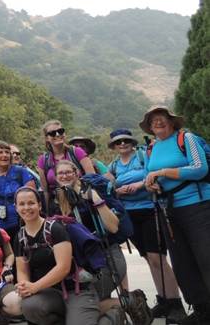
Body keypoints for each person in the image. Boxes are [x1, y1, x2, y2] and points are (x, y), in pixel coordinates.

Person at [107, 128, 184, 322]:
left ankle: (175, 303)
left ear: (132, 142)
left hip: (150, 209)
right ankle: (164, 300)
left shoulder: (143, 156)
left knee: (157, 257)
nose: (122, 144)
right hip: (129, 215)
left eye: (125, 140)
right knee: (149, 259)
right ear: (114, 146)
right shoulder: (114, 165)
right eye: (118, 142)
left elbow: (153, 174)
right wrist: (118, 190)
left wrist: (140, 185)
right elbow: (108, 187)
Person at [141, 106, 210, 324]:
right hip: (167, 210)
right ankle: (201, 309)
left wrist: (162, 173)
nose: (158, 122)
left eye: (162, 118)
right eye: (153, 121)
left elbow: (200, 168)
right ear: (150, 127)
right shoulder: (151, 149)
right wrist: (150, 185)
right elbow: (147, 176)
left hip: (197, 205)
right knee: (182, 261)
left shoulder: (186, 138)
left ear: (172, 122)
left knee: (206, 256)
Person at [53, 161, 129, 320]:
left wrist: (94, 198)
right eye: (61, 173)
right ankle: (119, 309)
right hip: (86, 263)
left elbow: (114, 227)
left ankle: (127, 303)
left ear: (76, 173)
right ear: (56, 177)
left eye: (68, 172)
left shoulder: (91, 192)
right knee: (84, 303)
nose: (65, 176)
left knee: (85, 304)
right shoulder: (58, 198)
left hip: (108, 257)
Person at [14, 186, 101, 325]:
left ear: (39, 205)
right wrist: (25, 287)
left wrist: (35, 287)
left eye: (31, 203)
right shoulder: (20, 236)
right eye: (22, 204)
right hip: (50, 292)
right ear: (16, 207)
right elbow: (22, 270)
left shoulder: (55, 228)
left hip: (76, 289)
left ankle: (113, 313)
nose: (27, 208)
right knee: (29, 306)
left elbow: (63, 267)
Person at [37, 120, 96, 214]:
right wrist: (47, 213)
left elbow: (93, 178)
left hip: (82, 203)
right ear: (47, 138)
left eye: (60, 131)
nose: (57, 134)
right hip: (57, 206)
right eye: (52, 133)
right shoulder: (43, 160)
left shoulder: (77, 152)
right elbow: (45, 191)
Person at [0, 141, 35, 244]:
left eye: (7, 152)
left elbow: (33, 198)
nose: (5, 155)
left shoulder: (21, 172)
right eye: (0, 152)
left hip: (21, 222)